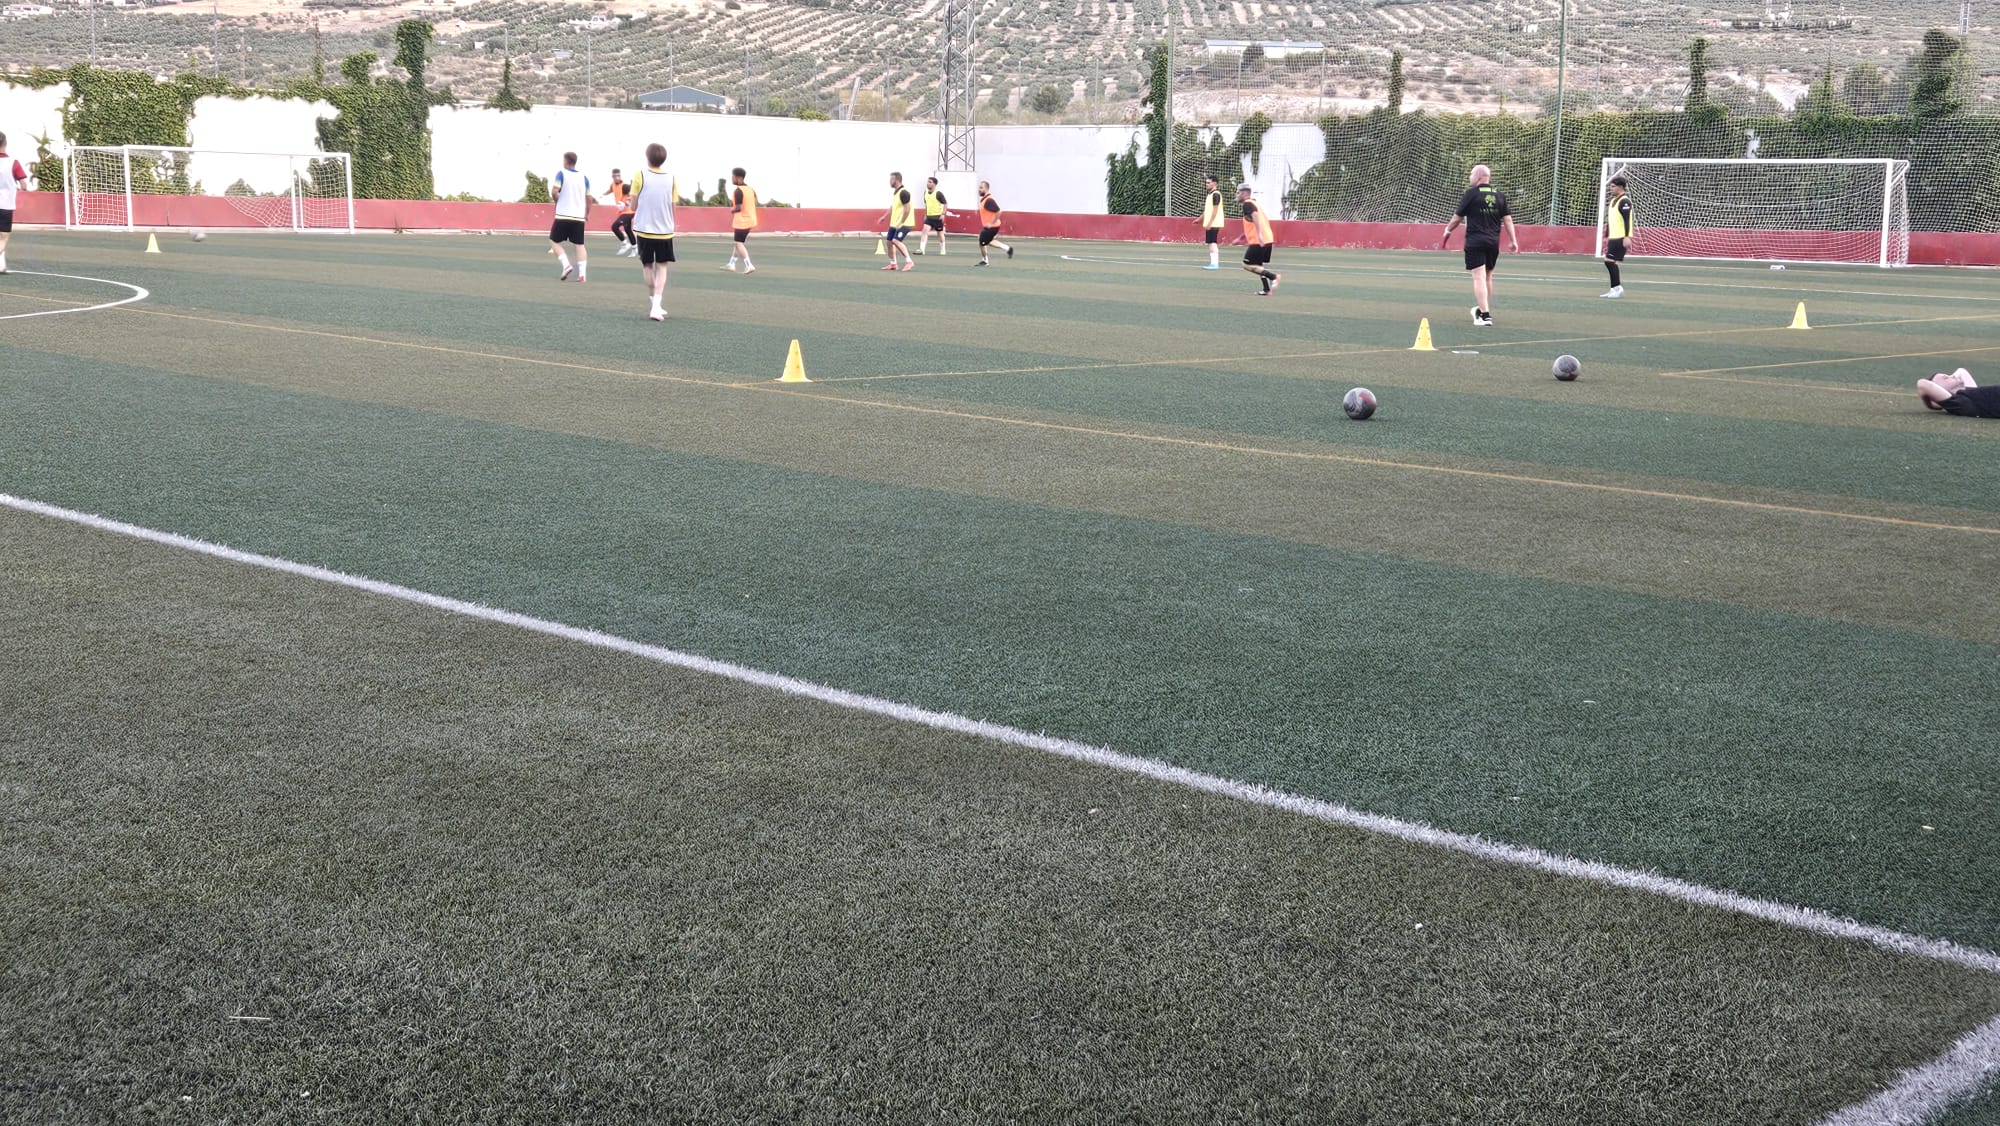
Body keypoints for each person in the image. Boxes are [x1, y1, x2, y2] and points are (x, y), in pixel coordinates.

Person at [1440, 163, 1518, 327]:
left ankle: (1485, 316)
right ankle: (1483, 310)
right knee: (1488, 276)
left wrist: (1447, 231)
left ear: (1479, 176)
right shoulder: (1499, 195)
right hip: (1493, 242)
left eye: (1471, 174)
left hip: (1475, 241)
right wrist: (1513, 240)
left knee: (1478, 277)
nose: (1470, 177)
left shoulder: (1471, 194)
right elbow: (1508, 219)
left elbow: (1457, 218)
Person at [628, 143, 676, 321]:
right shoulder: (671, 177)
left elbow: (633, 205)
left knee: (647, 265)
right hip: (665, 230)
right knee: (662, 267)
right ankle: (656, 305)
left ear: (647, 157)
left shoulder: (639, 175)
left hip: (644, 229)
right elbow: (673, 205)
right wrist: (672, 223)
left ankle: (654, 305)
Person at [548, 151, 591, 282]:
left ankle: (566, 265)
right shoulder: (584, 177)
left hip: (563, 215)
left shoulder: (562, 173)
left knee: (554, 241)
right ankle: (582, 275)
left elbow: (554, 191)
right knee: (579, 245)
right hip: (578, 217)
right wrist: (587, 214)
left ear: (566, 161)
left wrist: (557, 199)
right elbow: (589, 198)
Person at [1237, 184, 1280, 296]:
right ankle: (1266, 289)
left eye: (1238, 192)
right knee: (1258, 266)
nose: (1237, 195)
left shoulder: (1247, 204)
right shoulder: (1255, 203)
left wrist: (1259, 235)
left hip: (1258, 240)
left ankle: (1273, 277)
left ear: (1245, 193)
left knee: (1246, 265)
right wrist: (1241, 237)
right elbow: (1253, 222)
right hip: (1267, 239)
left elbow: (1255, 216)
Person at [1601, 175, 1635, 298]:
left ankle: (1617, 288)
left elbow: (1627, 220)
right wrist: (1606, 235)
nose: (1611, 188)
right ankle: (1614, 289)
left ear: (1620, 187)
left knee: (1609, 261)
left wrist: (1627, 236)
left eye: (1613, 186)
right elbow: (1611, 220)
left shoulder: (1624, 201)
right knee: (1610, 261)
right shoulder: (1613, 201)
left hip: (1621, 237)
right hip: (1614, 237)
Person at [1918, 369, 2000, 418]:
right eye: (1945, 378)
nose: (1952, 376)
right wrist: (1932, 404)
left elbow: (1962, 371)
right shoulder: (1960, 403)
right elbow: (1922, 384)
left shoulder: (1969, 393)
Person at [877, 172, 916, 272]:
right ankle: (893, 264)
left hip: (905, 223)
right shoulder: (896, 193)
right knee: (889, 242)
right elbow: (893, 206)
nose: (890, 181)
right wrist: (884, 216)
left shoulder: (904, 193)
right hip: (894, 223)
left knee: (896, 241)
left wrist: (901, 222)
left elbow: (907, 209)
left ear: (897, 180)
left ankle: (909, 261)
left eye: (891, 179)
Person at [722, 167, 758, 273]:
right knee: (739, 243)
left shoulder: (738, 191)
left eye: (732, 176)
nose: (732, 179)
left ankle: (749, 265)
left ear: (738, 178)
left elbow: (738, 207)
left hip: (742, 221)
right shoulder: (751, 189)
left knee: (739, 243)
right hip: (751, 219)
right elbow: (755, 202)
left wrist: (731, 209)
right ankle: (731, 264)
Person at [0, 132, 25, 276]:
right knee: (3, 237)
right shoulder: (13, 162)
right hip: (5, 205)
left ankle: (1, 265)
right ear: (5, 144)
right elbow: (23, 184)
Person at [975, 181, 1013, 266]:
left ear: (986, 189)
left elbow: (999, 211)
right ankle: (1008, 249)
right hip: (992, 226)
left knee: (982, 242)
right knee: (988, 241)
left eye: (981, 188)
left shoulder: (989, 200)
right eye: (979, 187)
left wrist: (991, 223)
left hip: (992, 227)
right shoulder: (985, 199)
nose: (979, 189)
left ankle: (985, 261)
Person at [917, 176, 956, 256]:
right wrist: (925, 214)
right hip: (929, 217)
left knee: (940, 234)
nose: (928, 183)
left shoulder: (938, 194)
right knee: (924, 231)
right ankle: (922, 249)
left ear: (934, 184)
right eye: (928, 182)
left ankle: (943, 249)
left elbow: (945, 203)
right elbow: (927, 204)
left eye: (930, 182)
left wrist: (943, 214)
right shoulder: (925, 193)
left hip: (937, 217)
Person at [606, 168, 635, 257]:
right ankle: (635, 248)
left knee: (614, 227)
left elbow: (632, 197)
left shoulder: (625, 186)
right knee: (628, 230)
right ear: (612, 176)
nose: (617, 177)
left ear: (620, 176)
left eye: (618, 175)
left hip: (628, 211)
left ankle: (625, 243)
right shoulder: (612, 185)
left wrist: (625, 203)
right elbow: (610, 190)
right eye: (615, 176)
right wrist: (603, 194)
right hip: (622, 212)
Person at [1200, 174, 1225, 270]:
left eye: (1208, 183)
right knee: (1210, 242)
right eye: (1206, 182)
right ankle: (1213, 263)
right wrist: (1200, 219)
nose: (1206, 184)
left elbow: (1215, 211)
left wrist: (1210, 223)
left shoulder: (1216, 194)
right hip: (1212, 223)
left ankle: (1215, 264)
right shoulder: (1210, 194)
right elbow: (1208, 210)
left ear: (1214, 183)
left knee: (1212, 242)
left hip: (1214, 223)